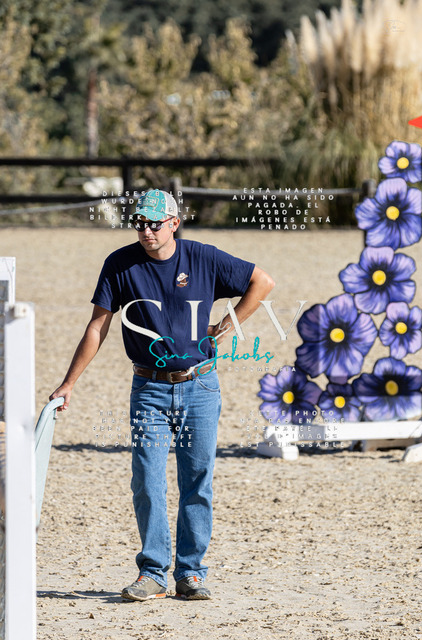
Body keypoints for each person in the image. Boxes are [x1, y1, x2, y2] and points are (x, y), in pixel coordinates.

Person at [50, 189, 275, 602]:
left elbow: (263, 282)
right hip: (148, 389)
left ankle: (191, 574)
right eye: (139, 223)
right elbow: (97, 326)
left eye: (155, 223)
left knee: (197, 481)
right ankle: (152, 572)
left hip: (200, 386)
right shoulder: (119, 264)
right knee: (147, 481)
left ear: (174, 223)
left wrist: (224, 328)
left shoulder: (204, 257)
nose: (146, 230)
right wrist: (69, 383)